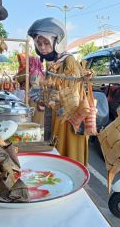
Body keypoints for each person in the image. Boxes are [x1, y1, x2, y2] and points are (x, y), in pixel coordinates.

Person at [27, 18, 89, 165]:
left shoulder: (69, 62)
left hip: (69, 125)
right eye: (39, 43)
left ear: (58, 42)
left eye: (46, 43)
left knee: (69, 159)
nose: (42, 47)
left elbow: (70, 99)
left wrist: (45, 96)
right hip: (58, 120)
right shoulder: (54, 64)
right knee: (57, 158)